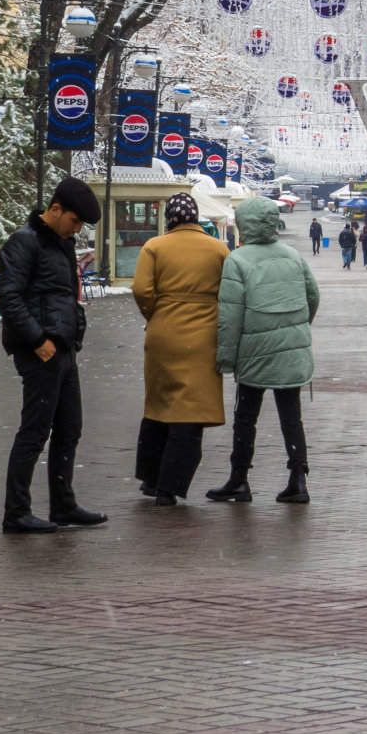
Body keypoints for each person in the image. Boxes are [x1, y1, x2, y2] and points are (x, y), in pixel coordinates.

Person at [0, 177, 108, 534]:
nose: (77, 229)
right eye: (74, 221)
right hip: (40, 352)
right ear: (55, 209)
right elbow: (8, 298)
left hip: (63, 349)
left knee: (69, 428)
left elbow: (62, 295)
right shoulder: (24, 241)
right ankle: (16, 513)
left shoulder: (61, 244)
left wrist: (70, 336)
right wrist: (37, 340)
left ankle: (63, 505)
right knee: (34, 431)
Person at [209, 196, 320, 504]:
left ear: (245, 224)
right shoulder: (293, 255)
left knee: (246, 417)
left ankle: (239, 479)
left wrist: (226, 359)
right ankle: (298, 478)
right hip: (291, 349)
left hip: (253, 351)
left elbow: (230, 316)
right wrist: (296, 327)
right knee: (291, 416)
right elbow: (312, 296)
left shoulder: (238, 260)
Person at [131, 193, 229, 506]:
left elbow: (141, 290)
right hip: (204, 336)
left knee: (159, 406)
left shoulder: (155, 246)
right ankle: (169, 486)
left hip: (164, 333)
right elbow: (230, 292)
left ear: (169, 219)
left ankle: (150, 478)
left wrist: (156, 314)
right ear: (196, 217)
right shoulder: (218, 249)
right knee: (190, 410)